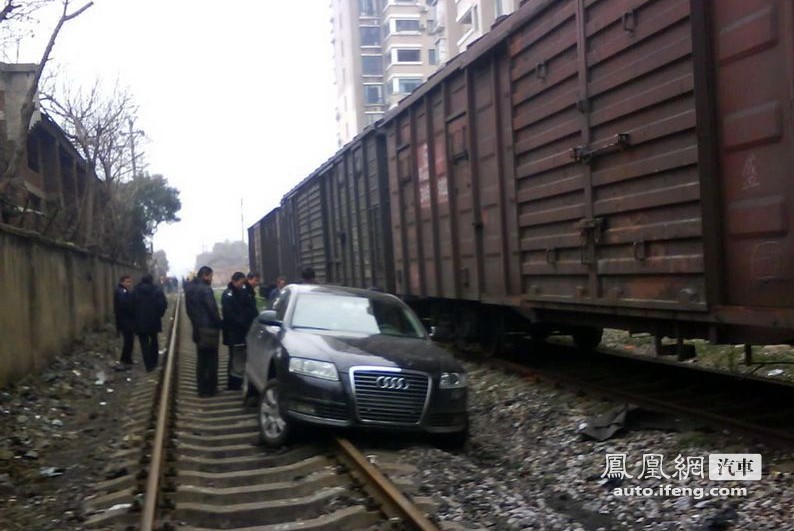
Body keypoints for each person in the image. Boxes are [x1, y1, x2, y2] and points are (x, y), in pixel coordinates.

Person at [186, 266, 222, 397]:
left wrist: (195, 323)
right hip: (209, 329)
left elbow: (189, 310)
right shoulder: (206, 289)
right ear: (205, 276)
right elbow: (212, 308)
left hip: (197, 328)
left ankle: (201, 389)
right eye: (211, 276)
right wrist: (219, 323)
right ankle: (210, 389)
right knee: (211, 360)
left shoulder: (189, 289)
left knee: (201, 360)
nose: (211, 279)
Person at [222, 272, 257, 390]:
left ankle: (236, 381)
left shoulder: (240, 292)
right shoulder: (229, 294)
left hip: (240, 331)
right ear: (234, 281)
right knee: (235, 357)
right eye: (241, 283)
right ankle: (233, 383)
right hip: (234, 331)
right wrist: (242, 322)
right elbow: (229, 314)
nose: (243, 285)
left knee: (238, 357)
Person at [132, 274, 168, 372]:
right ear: (151, 280)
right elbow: (163, 304)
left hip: (140, 320)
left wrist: (134, 317)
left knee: (144, 343)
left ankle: (149, 366)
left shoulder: (135, 290)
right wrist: (159, 314)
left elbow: (130, 305)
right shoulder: (156, 290)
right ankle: (155, 361)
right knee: (154, 340)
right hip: (153, 319)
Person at [113, 275, 135, 365]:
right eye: (127, 281)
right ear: (122, 282)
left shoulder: (123, 291)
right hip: (124, 319)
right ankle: (125, 359)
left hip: (126, 319)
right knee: (128, 340)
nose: (129, 283)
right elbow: (124, 305)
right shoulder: (121, 291)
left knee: (129, 340)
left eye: (130, 282)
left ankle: (127, 359)